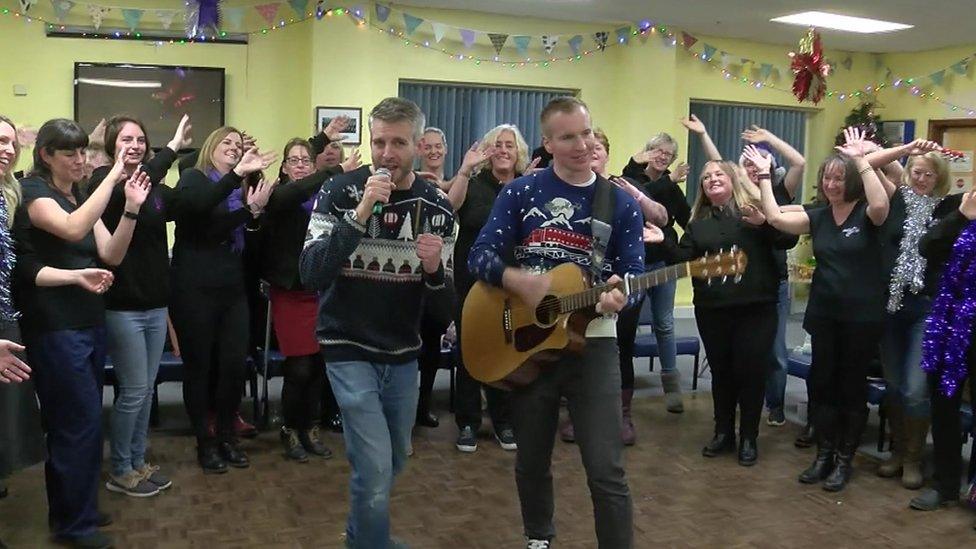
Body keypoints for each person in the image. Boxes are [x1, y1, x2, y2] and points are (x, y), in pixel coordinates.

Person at [468, 96, 643, 548]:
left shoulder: (620, 204)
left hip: (595, 343)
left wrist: (622, 292)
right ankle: (538, 538)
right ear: (547, 142)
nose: (582, 144)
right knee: (531, 459)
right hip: (528, 341)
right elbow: (480, 255)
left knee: (607, 468)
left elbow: (635, 271)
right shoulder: (521, 193)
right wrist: (518, 281)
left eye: (586, 133)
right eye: (568, 137)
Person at [300, 97, 455, 548]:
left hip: (403, 351)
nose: (386, 153)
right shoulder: (340, 191)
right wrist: (361, 212)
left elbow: (445, 306)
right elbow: (311, 272)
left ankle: (359, 536)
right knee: (374, 466)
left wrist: (431, 270)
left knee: (396, 461)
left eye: (398, 143)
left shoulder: (439, 207)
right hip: (346, 344)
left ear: (419, 146)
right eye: (379, 142)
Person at [14, 118, 149, 549]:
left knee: (84, 422)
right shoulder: (34, 193)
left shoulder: (79, 195)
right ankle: (74, 525)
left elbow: (110, 253)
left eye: (81, 152)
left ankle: (77, 511)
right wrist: (113, 175)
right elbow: (71, 229)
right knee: (76, 423)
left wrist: (130, 208)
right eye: (69, 153)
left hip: (88, 322)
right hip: (56, 326)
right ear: (46, 155)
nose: (79, 160)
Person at [759, 127, 890, 492]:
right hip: (825, 314)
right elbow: (775, 218)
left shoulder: (867, 212)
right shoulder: (818, 215)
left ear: (850, 180)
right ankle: (824, 454)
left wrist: (861, 159)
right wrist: (766, 177)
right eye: (827, 178)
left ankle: (844, 460)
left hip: (862, 318)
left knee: (850, 389)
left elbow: (882, 205)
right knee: (822, 386)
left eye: (838, 177)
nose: (832, 184)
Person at [89, 114, 192, 498]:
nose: (134, 145)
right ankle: (120, 469)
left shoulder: (145, 184)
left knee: (146, 389)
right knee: (133, 391)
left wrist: (173, 146)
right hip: (123, 306)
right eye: (125, 139)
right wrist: (174, 146)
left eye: (140, 139)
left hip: (153, 303)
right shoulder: (103, 183)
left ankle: (136, 461)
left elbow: (153, 170)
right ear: (111, 146)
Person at [681, 114, 807, 428]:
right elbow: (718, 167)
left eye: (758, 163)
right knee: (732, 364)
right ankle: (726, 426)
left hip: (768, 287)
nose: (752, 168)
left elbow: (799, 164)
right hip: (730, 292)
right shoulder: (732, 201)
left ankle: (773, 407)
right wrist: (704, 133)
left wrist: (768, 140)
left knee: (771, 355)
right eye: (746, 164)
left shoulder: (773, 194)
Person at [674, 154, 797, 465]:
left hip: (756, 308)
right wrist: (660, 237)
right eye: (706, 177)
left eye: (719, 175)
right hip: (712, 309)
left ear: (733, 181)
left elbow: (786, 240)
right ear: (702, 187)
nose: (712, 179)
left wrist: (765, 222)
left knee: (751, 373)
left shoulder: (755, 212)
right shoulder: (698, 224)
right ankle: (723, 433)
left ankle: (749, 438)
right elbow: (681, 260)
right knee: (722, 373)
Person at [170, 127, 276, 474]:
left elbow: (233, 230)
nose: (233, 148)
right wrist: (243, 196)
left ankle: (228, 436)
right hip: (195, 288)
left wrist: (253, 209)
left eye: (238, 144)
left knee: (233, 366)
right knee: (200, 369)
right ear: (210, 148)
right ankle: (206, 443)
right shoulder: (193, 178)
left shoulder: (236, 188)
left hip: (231, 289)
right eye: (226, 143)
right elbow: (202, 218)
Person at [562, 128, 667, 445]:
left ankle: (622, 415)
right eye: (586, 147)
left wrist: (637, 196)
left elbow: (661, 217)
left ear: (607, 153)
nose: (592, 152)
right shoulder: (566, 190)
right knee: (573, 347)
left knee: (621, 348)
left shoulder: (626, 186)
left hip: (619, 284)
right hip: (575, 285)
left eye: (598, 148)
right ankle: (576, 413)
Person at [863, 140, 955, 490]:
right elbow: (868, 164)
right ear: (907, 173)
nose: (921, 179)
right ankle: (899, 453)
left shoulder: (948, 208)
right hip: (891, 306)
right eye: (916, 172)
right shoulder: (896, 199)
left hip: (924, 308)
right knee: (895, 385)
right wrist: (907, 148)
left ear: (939, 177)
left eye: (929, 174)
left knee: (916, 388)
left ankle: (914, 459)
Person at [264, 137, 358, 462]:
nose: (301, 164)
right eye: (295, 160)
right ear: (285, 167)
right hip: (291, 290)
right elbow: (293, 194)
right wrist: (335, 169)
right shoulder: (280, 195)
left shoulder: (324, 198)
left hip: (322, 288)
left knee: (319, 363)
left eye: (306, 159)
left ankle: (311, 427)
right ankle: (290, 429)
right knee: (300, 366)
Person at [449, 124, 537, 452]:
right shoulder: (474, 184)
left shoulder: (528, 188)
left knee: (506, 349)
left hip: (513, 283)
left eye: (509, 145)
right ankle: (468, 422)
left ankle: (503, 421)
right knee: (469, 349)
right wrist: (464, 169)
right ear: (488, 151)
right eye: (497, 144)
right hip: (472, 281)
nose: (503, 150)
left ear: (519, 154)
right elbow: (450, 206)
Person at [910, 187, 976, 525]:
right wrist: (962, 215)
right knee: (944, 405)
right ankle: (945, 484)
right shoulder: (956, 203)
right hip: (950, 323)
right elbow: (928, 247)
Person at [620, 132, 690, 414]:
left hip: (662, 264)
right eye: (657, 151)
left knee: (664, 323)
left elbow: (689, 221)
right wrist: (669, 180)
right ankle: (623, 391)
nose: (662, 158)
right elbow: (640, 194)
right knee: (627, 326)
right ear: (647, 151)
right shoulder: (632, 177)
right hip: (635, 264)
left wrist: (675, 244)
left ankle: (672, 386)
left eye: (668, 155)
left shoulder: (672, 188)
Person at [0, 115, 44, 537]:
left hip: (5, 317)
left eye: (12, 143)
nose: (7, 149)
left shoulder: (7, 194)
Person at [417, 127, 451, 191]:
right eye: (427, 148)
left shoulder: (454, 188)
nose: (433, 151)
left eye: (438, 147)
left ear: (446, 149)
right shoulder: (410, 183)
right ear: (419, 151)